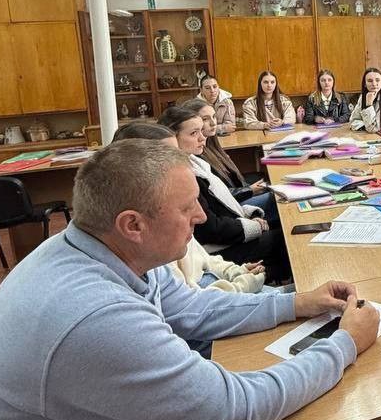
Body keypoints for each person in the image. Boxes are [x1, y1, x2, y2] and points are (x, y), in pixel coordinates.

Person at [0, 138, 380, 420]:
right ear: (133, 225)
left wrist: (296, 303)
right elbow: (235, 411)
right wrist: (344, 344)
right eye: (187, 208)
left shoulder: (106, 247)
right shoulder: (95, 316)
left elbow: (191, 308)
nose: (201, 217)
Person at [113, 121, 268, 294]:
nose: (200, 216)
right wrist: (243, 284)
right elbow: (191, 303)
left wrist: (235, 271)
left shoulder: (176, 192)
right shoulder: (150, 236)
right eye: (169, 159)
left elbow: (202, 257)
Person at [158, 106, 289, 284]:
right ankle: (276, 279)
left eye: (201, 131)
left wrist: (249, 216)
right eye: (194, 133)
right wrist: (252, 225)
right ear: (174, 137)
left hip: (229, 231)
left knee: (279, 224)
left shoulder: (197, 162)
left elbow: (222, 204)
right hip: (218, 248)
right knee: (283, 238)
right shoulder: (185, 177)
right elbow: (210, 229)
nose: (202, 137)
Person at [183, 98, 276, 222]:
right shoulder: (197, 153)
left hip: (238, 198)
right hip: (234, 208)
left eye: (214, 117)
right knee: (276, 198)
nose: (213, 123)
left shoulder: (211, 142)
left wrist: (249, 189)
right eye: (205, 119)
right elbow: (219, 198)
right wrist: (250, 190)